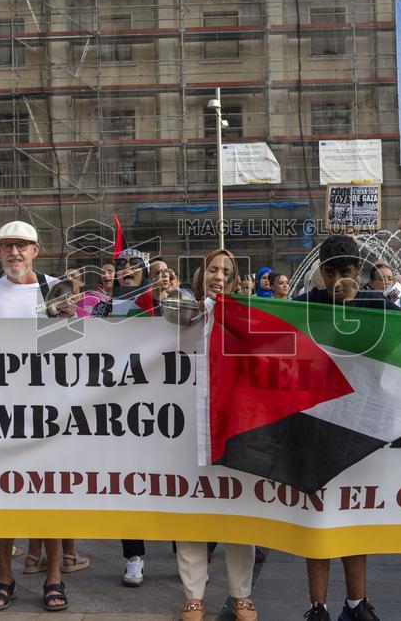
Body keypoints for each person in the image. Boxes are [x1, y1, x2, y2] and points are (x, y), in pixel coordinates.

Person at [0, 221, 76, 612]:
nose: (14, 252)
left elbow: (74, 348)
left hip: (49, 410)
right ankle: (4, 576)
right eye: (7, 246)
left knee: (50, 495)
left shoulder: (57, 289)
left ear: (36, 250)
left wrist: (61, 321)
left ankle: (54, 577)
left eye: (22, 246)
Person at [296, 235, 396, 621]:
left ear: (359, 271)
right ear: (321, 272)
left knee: (354, 518)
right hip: (314, 426)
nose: (340, 278)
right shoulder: (303, 306)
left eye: (348, 270)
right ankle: (316, 607)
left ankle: (357, 603)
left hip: (361, 426)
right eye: (332, 271)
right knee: (316, 518)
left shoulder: (379, 305)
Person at [177, 248, 257, 621]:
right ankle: (194, 594)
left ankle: (241, 594)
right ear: (202, 273)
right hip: (189, 424)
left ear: (236, 278)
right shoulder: (184, 312)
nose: (219, 275)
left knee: (238, 509)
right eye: (213, 269)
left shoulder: (248, 316)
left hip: (234, 424)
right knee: (192, 509)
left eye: (227, 270)